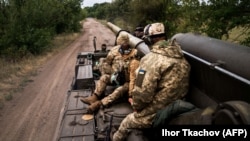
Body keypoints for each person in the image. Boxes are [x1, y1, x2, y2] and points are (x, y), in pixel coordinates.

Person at [112, 22, 191, 141]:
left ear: (148, 40)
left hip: (159, 111)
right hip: (177, 105)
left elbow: (143, 94)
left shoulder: (150, 60)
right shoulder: (182, 57)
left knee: (127, 122)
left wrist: (135, 105)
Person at [80, 32, 139, 113]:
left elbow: (133, 76)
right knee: (104, 78)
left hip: (126, 81)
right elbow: (108, 62)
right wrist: (111, 73)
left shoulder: (134, 54)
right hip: (115, 77)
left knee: (119, 90)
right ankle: (94, 97)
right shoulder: (114, 51)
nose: (124, 45)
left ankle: (100, 103)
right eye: (122, 43)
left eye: (125, 43)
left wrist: (130, 94)